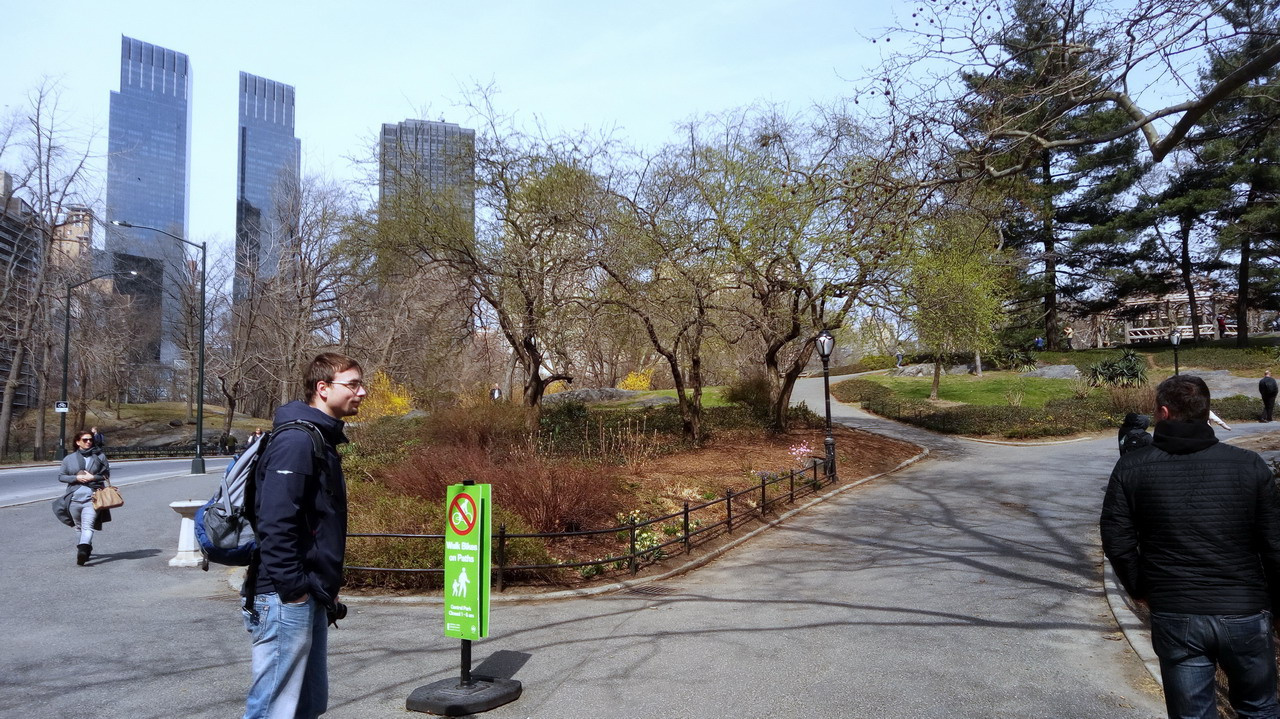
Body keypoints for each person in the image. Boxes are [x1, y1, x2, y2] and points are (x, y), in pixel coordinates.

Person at [1101, 375, 1280, 718]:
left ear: (1164, 413)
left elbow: (1117, 538)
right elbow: (1274, 543)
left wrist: (1139, 588)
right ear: (1206, 412)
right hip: (1244, 609)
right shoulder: (1249, 465)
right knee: (1259, 709)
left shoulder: (1131, 467)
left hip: (1176, 611)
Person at [242, 352, 365, 719]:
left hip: (308, 591)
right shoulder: (296, 441)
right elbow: (276, 523)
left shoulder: (319, 438)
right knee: (273, 708)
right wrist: (293, 591)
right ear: (322, 388)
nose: (362, 392)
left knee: (305, 706)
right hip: (284, 596)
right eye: (353, 384)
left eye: (362, 384)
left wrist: (320, 587)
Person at [54, 430, 112, 566]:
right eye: (85, 440)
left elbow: (106, 475)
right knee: (79, 527)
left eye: (90, 439)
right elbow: (61, 476)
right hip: (73, 499)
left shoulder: (100, 457)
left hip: (93, 498)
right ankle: (85, 549)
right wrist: (76, 477)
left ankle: (83, 549)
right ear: (77, 442)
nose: (88, 442)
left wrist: (93, 477)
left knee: (88, 526)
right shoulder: (69, 459)